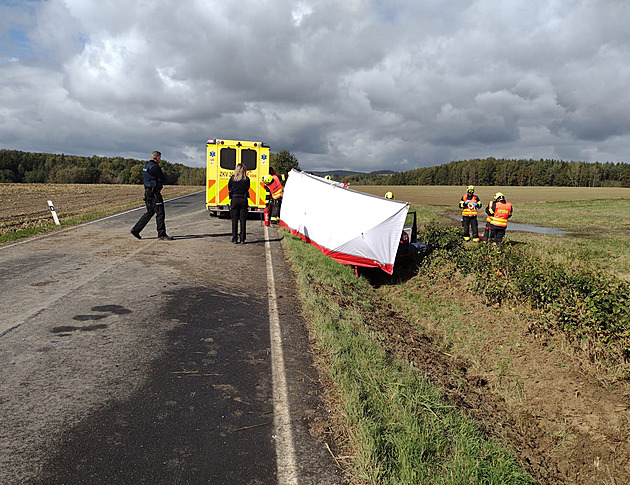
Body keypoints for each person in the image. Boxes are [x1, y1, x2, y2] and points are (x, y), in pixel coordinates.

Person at [131, 151, 173, 240]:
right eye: (160, 158)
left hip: (147, 192)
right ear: (157, 158)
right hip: (154, 193)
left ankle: (136, 230)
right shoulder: (155, 168)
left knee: (150, 212)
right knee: (160, 213)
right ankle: (161, 234)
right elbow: (163, 178)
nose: (160, 159)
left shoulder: (146, 166)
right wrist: (159, 180)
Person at [228, 163, 250, 244]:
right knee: (243, 220)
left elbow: (229, 188)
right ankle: (242, 238)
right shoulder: (246, 179)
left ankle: (234, 238)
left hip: (234, 199)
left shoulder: (232, 179)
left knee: (234, 220)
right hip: (243, 199)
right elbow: (248, 188)